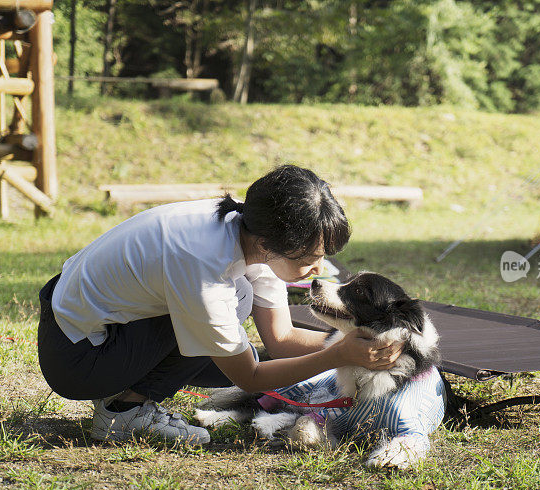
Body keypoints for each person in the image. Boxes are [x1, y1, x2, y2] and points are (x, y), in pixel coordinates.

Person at [37, 165, 403, 444]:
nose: (319, 268)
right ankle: (122, 412)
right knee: (236, 328)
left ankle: (125, 395)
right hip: (77, 358)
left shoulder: (248, 228)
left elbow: (281, 339)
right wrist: (338, 356)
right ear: (271, 242)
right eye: (310, 256)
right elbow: (248, 378)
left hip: (107, 329)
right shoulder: (201, 262)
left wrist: (364, 344)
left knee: (242, 308)